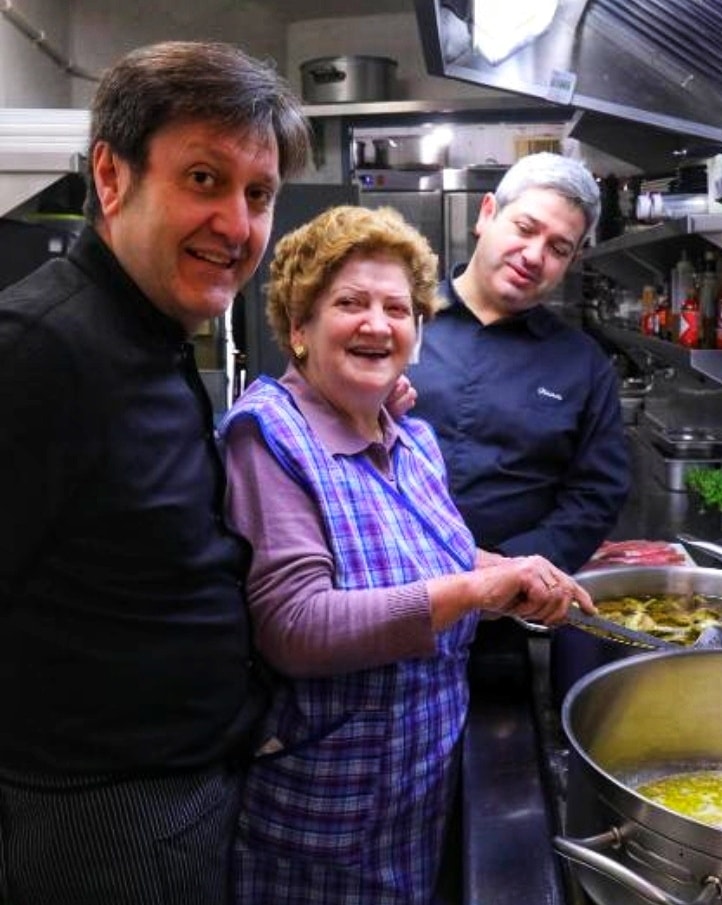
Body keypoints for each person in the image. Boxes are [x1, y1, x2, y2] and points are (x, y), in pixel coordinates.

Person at [0, 41, 310, 905]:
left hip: (181, 783)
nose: (238, 225)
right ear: (112, 176)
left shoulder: (151, 327)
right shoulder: (37, 353)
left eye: (259, 195)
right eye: (204, 179)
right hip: (104, 815)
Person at [220, 204, 596, 904]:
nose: (377, 323)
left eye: (398, 307)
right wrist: (477, 592)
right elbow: (296, 626)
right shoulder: (270, 434)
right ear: (299, 329)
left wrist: (515, 573)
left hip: (412, 804)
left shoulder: (410, 439)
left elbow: (438, 554)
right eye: (350, 303)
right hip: (322, 824)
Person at [409, 152, 630, 574]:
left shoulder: (582, 365)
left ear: (571, 261)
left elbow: (596, 496)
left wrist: (507, 569)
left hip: (509, 610)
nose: (533, 255)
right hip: (382, 590)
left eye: (558, 248)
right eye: (525, 229)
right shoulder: (398, 321)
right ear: (487, 214)